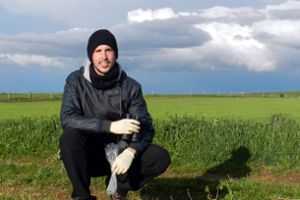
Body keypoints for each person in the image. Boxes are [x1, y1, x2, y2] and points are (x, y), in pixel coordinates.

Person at [59, 29, 171, 200]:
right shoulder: (75, 81)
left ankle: (119, 186)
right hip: (89, 155)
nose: (104, 57)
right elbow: (67, 118)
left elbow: (146, 128)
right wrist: (109, 126)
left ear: (116, 54)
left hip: (121, 153)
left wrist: (131, 151)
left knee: (160, 157)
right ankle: (82, 196)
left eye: (108, 50)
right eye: (98, 51)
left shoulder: (131, 86)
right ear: (91, 55)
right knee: (69, 137)